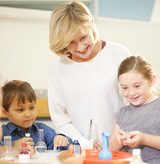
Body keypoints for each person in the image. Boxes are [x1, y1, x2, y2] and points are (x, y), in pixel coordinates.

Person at [48, 1, 130, 149]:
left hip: (121, 147)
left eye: (84, 37)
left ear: (92, 23)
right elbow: (59, 118)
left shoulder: (118, 54)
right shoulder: (59, 68)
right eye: (71, 42)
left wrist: (113, 144)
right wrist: (85, 144)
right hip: (81, 151)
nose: (80, 47)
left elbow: (132, 105)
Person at [109, 56, 160, 164]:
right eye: (125, 88)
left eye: (137, 86)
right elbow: (110, 150)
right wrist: (119, 141)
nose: (131, 93)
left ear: (151, 81)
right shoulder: (122, 113)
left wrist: (144, 139)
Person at [0, 80, 71, 155]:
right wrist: (13, 145)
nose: (28, 114)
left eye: (31, 108)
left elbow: (66, 146)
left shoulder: (43, 130)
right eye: (20, 110)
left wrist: (62, 139)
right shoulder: (0, 133)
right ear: (5, 112)